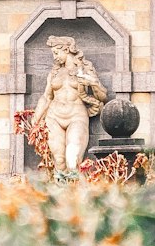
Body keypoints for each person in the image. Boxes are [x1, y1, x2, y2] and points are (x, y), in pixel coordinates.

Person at [31, 36, 108, 175]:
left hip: (76, 116)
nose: (54, 57)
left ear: (66, 49)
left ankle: (78, 194)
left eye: (56, 52)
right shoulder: (54, 73)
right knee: (59, 161)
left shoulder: (85, 69)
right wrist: (36, 118)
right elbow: (47, 97)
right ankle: (62, 195)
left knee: (73, 160)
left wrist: (93, 82)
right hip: (53, 117)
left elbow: (103, 96)